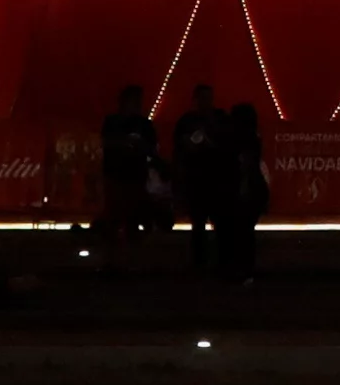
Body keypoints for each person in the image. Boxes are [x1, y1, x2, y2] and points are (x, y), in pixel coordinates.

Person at [169, 87, 235, 277]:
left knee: (218, 223)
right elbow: (180, 148)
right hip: (197, 180)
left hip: (215, 179)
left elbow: (227, 145)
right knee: (199, 224)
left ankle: (220, 263)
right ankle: (202, 264)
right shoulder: (188, 121)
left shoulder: (219, 119)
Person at [209, 100, 269, 285]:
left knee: (234, 233)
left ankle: (234, 271)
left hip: (239, 192)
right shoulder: (250, 139)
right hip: (245, 192)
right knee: (243, 233)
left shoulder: (240, 139)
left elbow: (245, 166)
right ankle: (242, 271)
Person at [96, 86, 160, 247]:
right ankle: (115, 257)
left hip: (133, 178)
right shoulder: (113, 121)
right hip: (117, 177)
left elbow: (152, 148)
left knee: (131, 219)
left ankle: (125, 257)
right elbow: (106, 143)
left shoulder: (143, 124)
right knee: (115, 218)